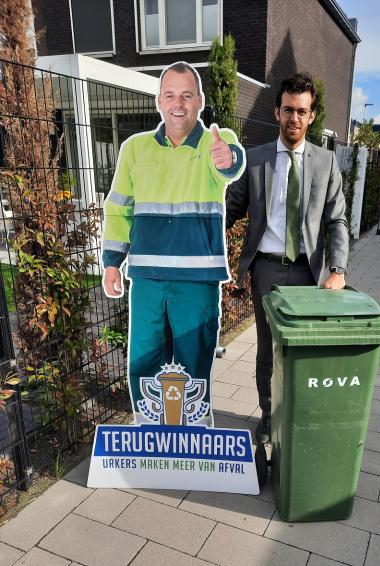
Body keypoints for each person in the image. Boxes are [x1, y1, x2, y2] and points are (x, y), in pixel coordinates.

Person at [101, 61, 244, 424]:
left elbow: (230, 162)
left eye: (186, 95)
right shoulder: (135, 148)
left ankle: (193, 431)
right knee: (145, 357)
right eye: (170, 95)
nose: (177, 103)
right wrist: (112, 262)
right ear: (158, 102)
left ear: (199, 101)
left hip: (196, 280)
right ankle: (149, 427)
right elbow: (119, 209)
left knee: (194, 358)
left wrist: (229, 159)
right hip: (147, 278)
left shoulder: (217, 141)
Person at [226, 72, 349, 443]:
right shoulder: (256, 158)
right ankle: (268, 415)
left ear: (311, 116)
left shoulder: (326, 163)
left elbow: (337, 219)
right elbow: (231, 209)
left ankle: (298, 412)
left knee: (303, 350)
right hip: (266, 272)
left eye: (302, 111)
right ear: (277, 111)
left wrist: (338, 269)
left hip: (309, 274)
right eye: (288, 110)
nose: (294, 118)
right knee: (268, 349)